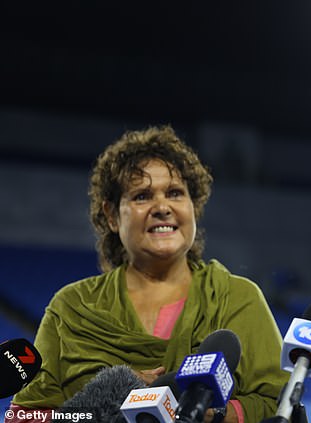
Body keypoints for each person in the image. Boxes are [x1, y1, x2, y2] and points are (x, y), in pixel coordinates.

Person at [8, 126, 288, 423]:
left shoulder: (238, 298)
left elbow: (281, 402)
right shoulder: (71, 307)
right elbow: (24, 417)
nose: (162, 207)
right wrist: (107, 396)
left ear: (193, 207)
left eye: (175, 193)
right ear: (112, 216)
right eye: (142, 196)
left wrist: (219, 415)